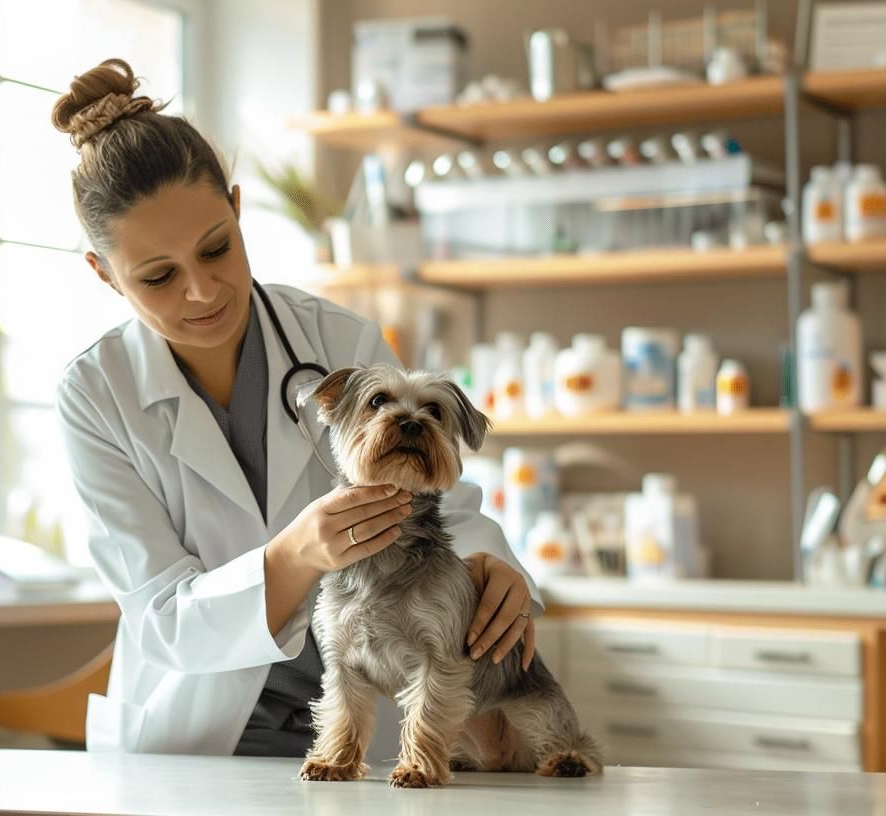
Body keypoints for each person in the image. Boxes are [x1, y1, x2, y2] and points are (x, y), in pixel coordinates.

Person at [53, 58, 541, 757]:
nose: (201, 292)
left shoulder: (338, 339)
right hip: (198, 741)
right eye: (157, 277)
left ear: (239, 208)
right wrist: (296, 555)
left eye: (217, 248)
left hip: (369, 732)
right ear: (104, 274)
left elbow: (449, 510)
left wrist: (494, 567)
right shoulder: (95, 394)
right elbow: (162, 619)